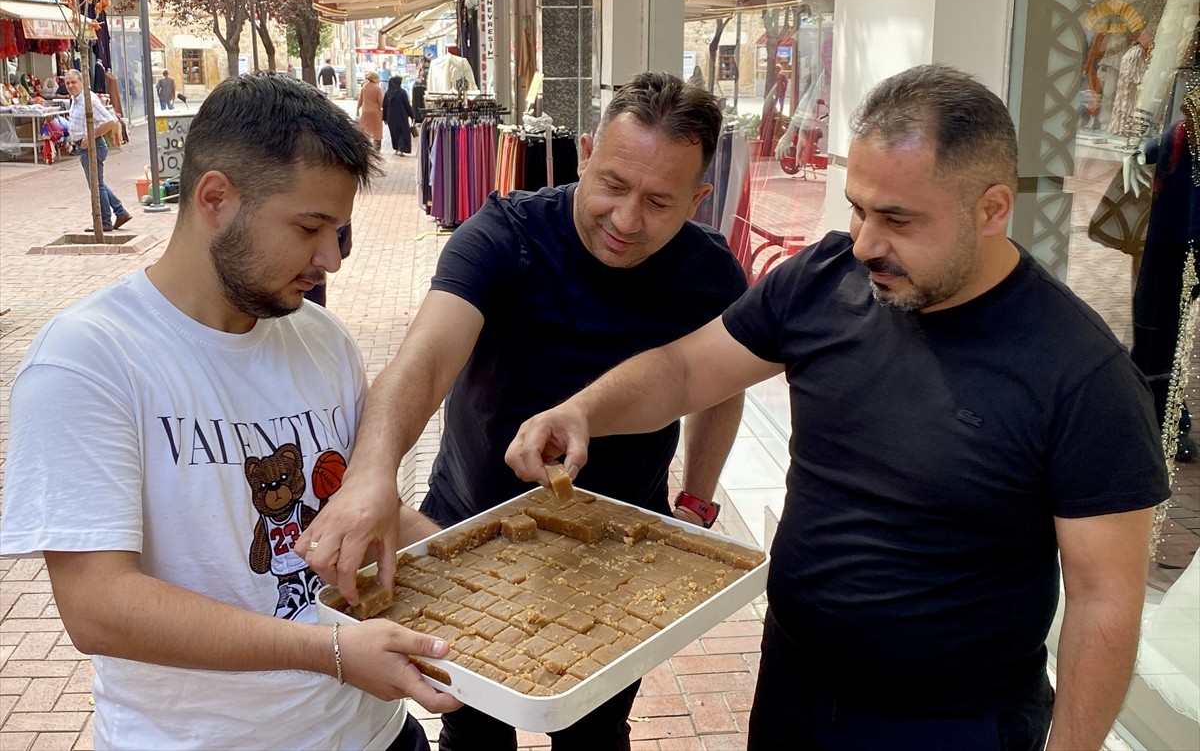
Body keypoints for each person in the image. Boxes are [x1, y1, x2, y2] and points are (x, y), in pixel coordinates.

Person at [507, 64, 1171, 751]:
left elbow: (1104, 599)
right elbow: (684, 370)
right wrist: (585, 410)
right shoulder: (825, 281)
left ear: (992, 209)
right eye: (857, 207)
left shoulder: (1081, 374)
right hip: (793, 692)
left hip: (953, 729)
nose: (865, 243)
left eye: (897, 219)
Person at [0, 72, 459, 750]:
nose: (329, 259)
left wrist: (491, 559)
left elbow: (355, 517)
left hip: (375, 735)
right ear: (215, 198)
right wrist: (330, 652)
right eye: (309, 227)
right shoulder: (87, 360)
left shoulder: (321, 338)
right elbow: (97, 607)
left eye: (340, 232)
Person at [300, 70, 749, 751]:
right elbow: (420, 364)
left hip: (614, 549)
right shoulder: (503, 234)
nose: (628, 221)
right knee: (471, 729)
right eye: (615, 186)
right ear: (588, 151)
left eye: (660, 202)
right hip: (466, 530)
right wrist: (371, 477)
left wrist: (696, 500)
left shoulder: (712, 271)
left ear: (699, 197)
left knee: (596, 730)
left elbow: (719, 386)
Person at [63, 69, 132, 232]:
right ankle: (120, 212)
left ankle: (106, 222)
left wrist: (90, 137)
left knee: (96, 185)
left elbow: (110, 121)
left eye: (74, 82)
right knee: (97, 184)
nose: (71, 86)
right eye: (67, 83)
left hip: (94, 146)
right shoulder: (76, 99)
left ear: (82, 82)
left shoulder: (89, 99)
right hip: (83, 146)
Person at [382, 76, 418, 156]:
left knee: (394, 133)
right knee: (403, 132)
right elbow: (407, 105)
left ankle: (397, 148)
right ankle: (401, 148)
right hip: (401, 116)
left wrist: (384, 118)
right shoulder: (402, 92)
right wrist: (412, 116)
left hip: (390, 116)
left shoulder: (388, 93)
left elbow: (384, 106)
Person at [356, 70, 385, 151]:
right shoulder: (378, 88)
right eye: (377, 78)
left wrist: (358, 108)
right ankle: (377, 149)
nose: (379, 80)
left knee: (365, 129)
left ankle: (364, 147)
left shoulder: (364, 87)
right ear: (374, 79)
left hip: (365, 111)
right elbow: (382, 103)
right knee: (377, 130)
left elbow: (360, 100)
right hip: (375, 112)